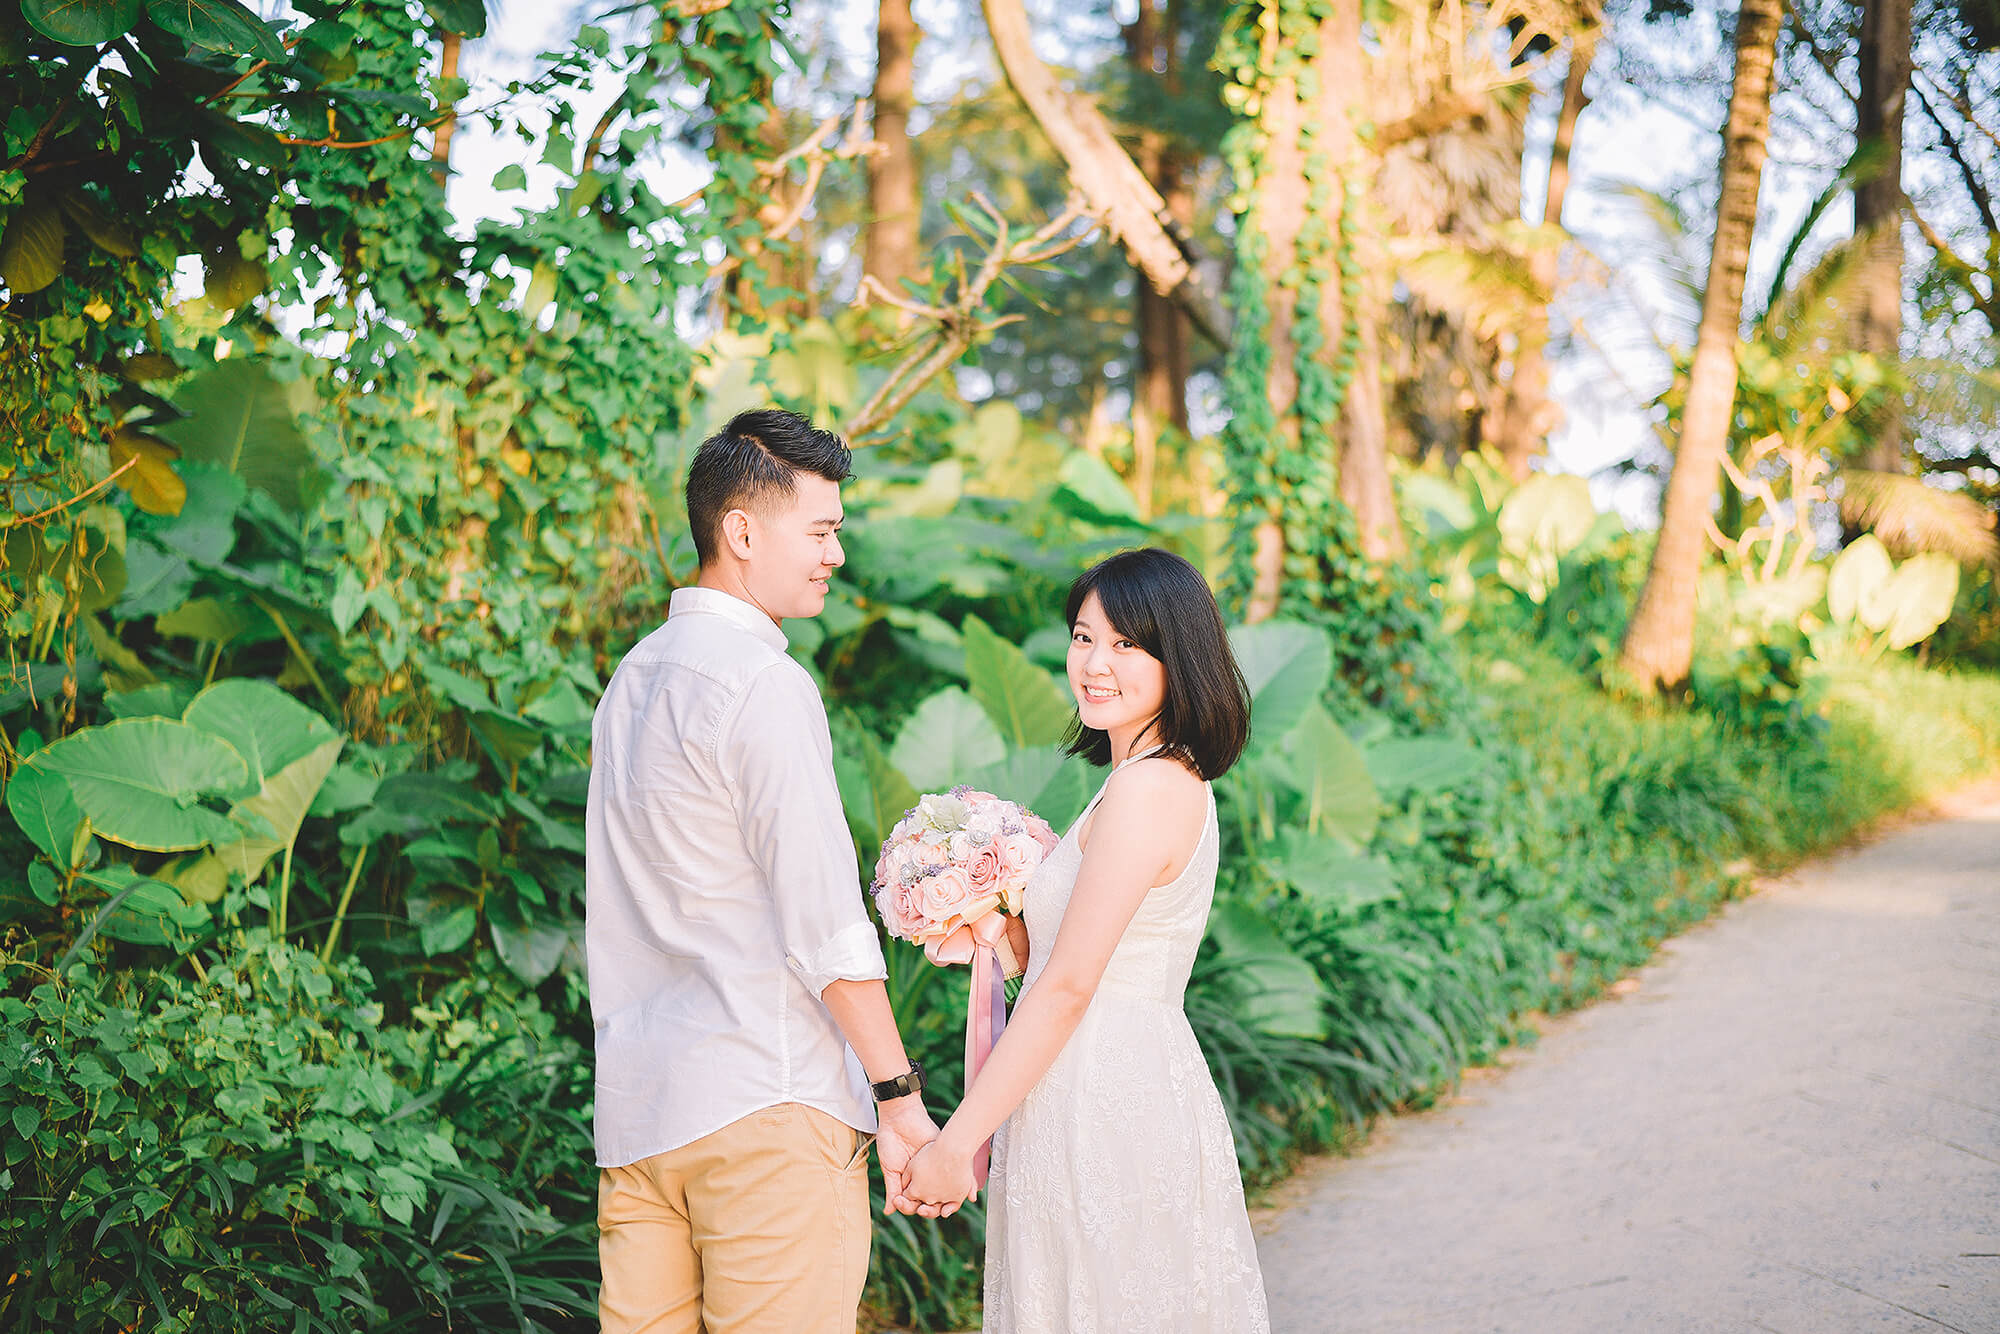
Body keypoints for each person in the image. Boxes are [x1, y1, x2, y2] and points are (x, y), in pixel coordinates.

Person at [585, 408, 939, 1334]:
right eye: (822, 531)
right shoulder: (761, 683)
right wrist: (898, 1099)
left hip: (641, 1112)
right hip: (766, 1102)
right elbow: (822, 924)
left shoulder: (633, 678)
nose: (837, 555)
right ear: (741, 531)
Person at [902, 546, 1272, 1332]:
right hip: (1086, 1085)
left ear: (1181, 658)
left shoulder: (1148, 789)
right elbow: (1073, 962)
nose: (1095, 663)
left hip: (1106, 1094)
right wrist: (992, 927)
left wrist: (955, 1142)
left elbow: (1073, 988)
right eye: (1083, 637)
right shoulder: (1141, 779)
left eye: (1128, 644)